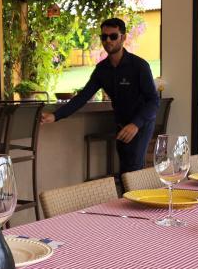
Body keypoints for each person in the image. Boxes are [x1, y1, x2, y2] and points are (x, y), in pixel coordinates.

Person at [41, 18, 159, 175]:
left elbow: (153, 100)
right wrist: (55, 116)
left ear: (123, 38)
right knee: (125, 171)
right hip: (120, 124)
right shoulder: (102, 70)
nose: (108, 40)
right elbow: (83, 96)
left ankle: (132, 199)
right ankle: (127, 199)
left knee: (132, 169)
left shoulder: (139, 66)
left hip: (140, 124)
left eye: (113, 36)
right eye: (104, 37)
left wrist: (135, 124)